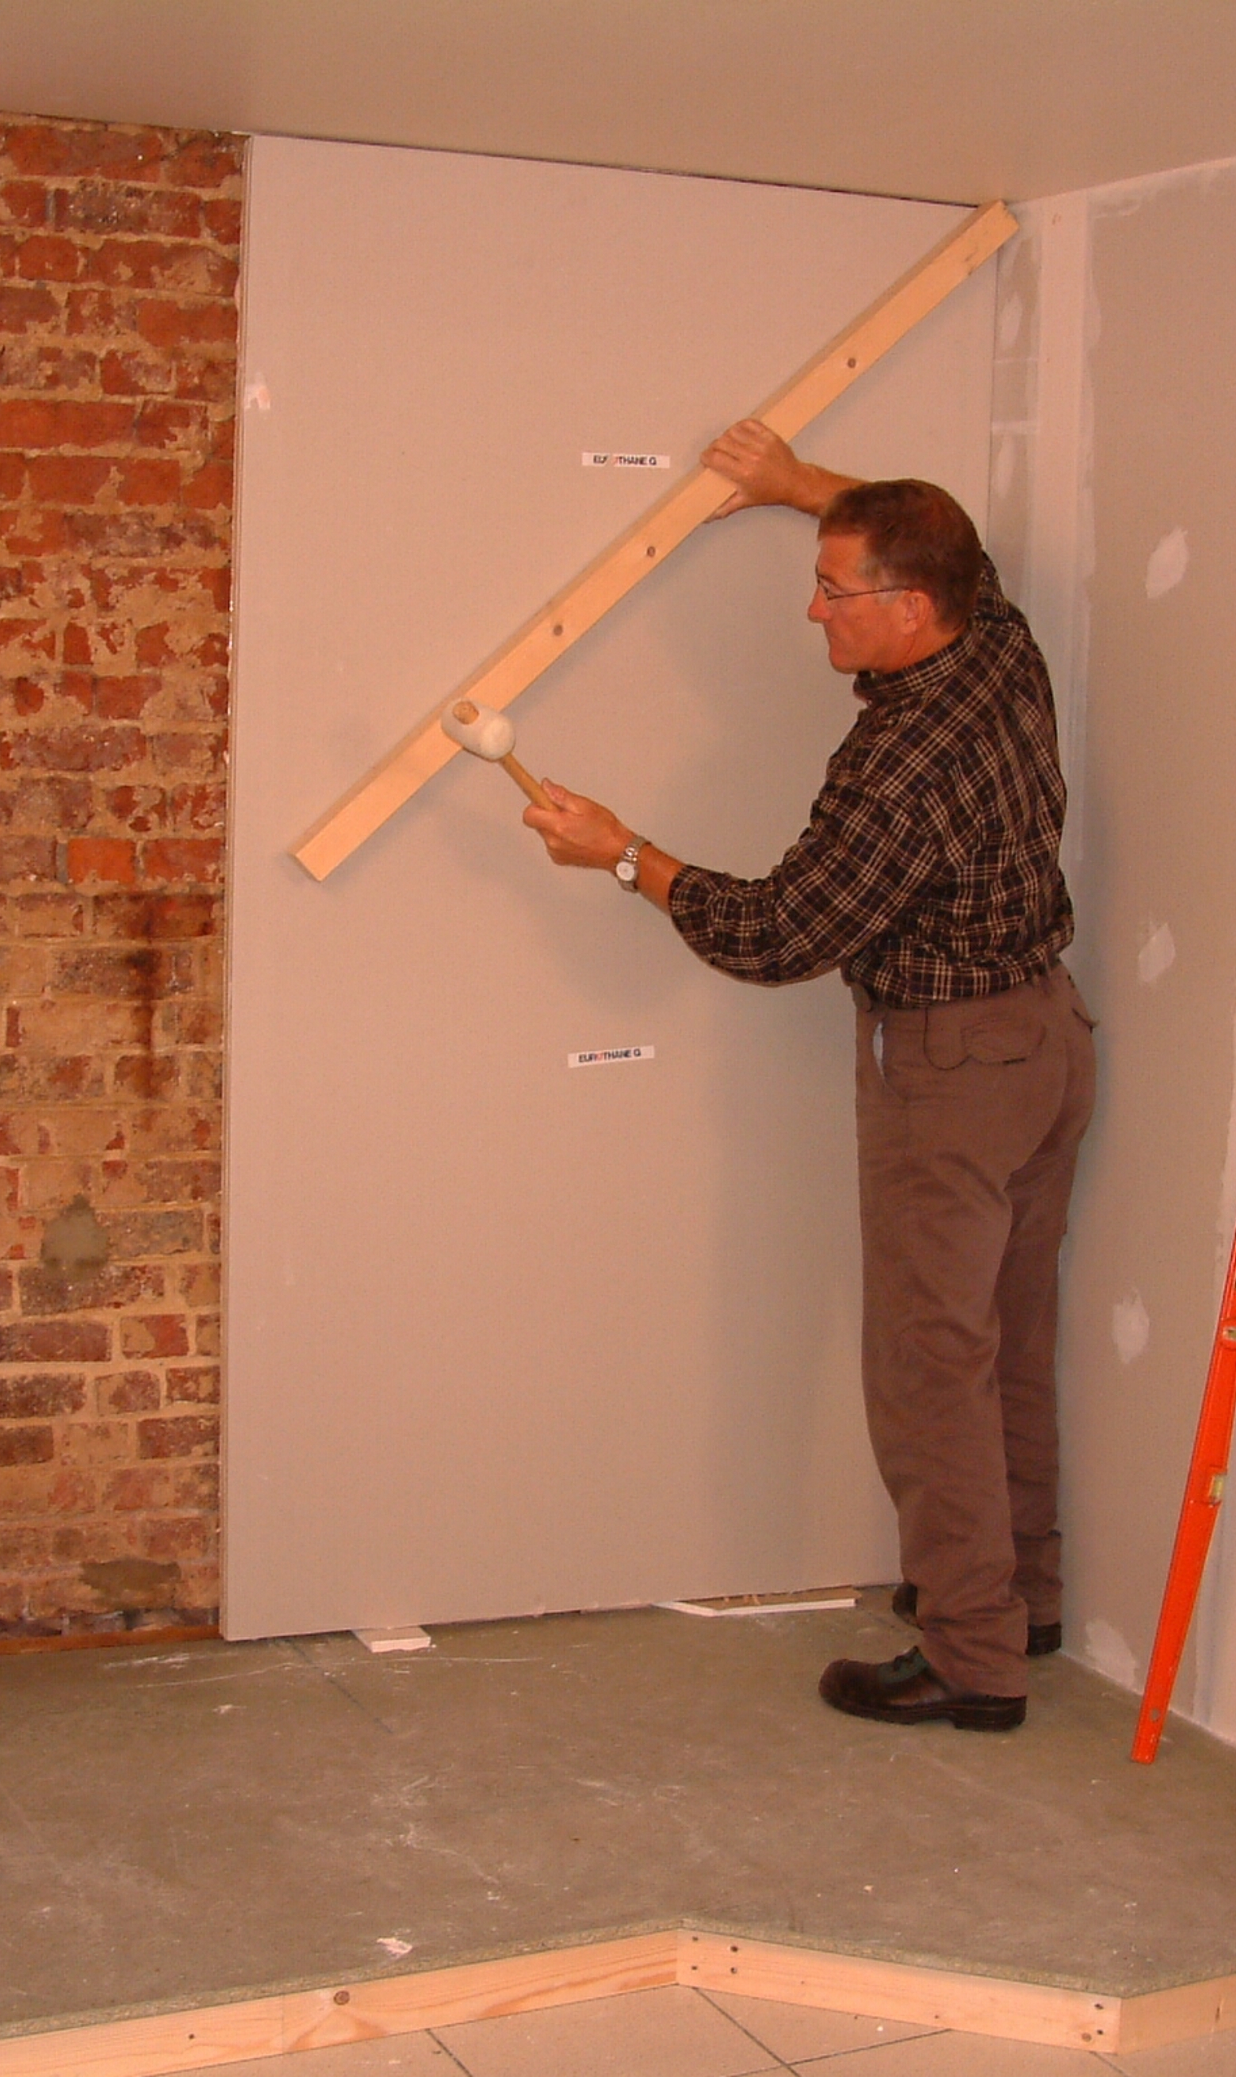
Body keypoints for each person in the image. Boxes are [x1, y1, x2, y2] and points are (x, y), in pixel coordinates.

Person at [522, 420, 1095, 1732]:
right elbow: (950, 537)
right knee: (1005, 1340)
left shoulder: (899, 765)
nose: (813, 610)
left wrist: (624, 853)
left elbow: (776, 934)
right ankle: (1022, 1599)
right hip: (1046, 1042)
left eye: (835, 591)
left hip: (953, 1072)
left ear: (908, 608)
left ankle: (972, 1659)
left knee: (928, 1365)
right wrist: (795, 487)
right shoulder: (995, 640)